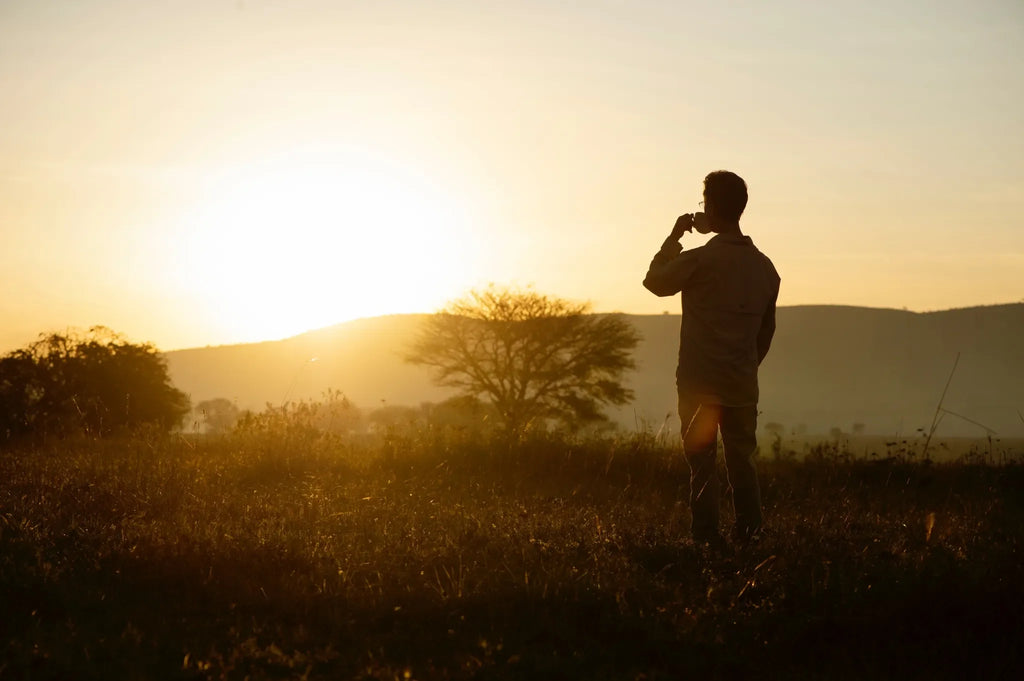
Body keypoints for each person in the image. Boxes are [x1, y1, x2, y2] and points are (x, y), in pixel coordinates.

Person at [643, 170, 780, 548]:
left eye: (705, 203)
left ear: (712, 207)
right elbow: (765, 333)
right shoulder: (766, 268)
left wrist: (674, 238)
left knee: (701, 465)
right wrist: (747, 365)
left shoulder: (700, 260)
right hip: (741, 382)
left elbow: (654, 282)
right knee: (743, 463)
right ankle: (750, 537)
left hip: (698, 384)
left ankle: (706, 539)